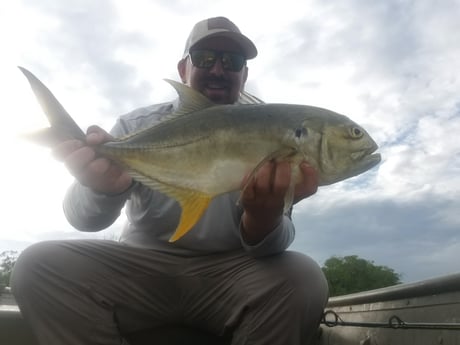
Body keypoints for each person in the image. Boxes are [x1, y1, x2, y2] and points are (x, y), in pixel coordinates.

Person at [11, 17, 328, 345]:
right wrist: (103, 191)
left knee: (304, 278)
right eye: (204, 58)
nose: (218, 69)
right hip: (140, 269)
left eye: (232, 62)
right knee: (37, 266)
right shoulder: (137, 125)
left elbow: (278, 242)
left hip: (229, 276)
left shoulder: (271, 131)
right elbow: (80, 217)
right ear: (182, 69)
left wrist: (263, 220)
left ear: (244, 76)